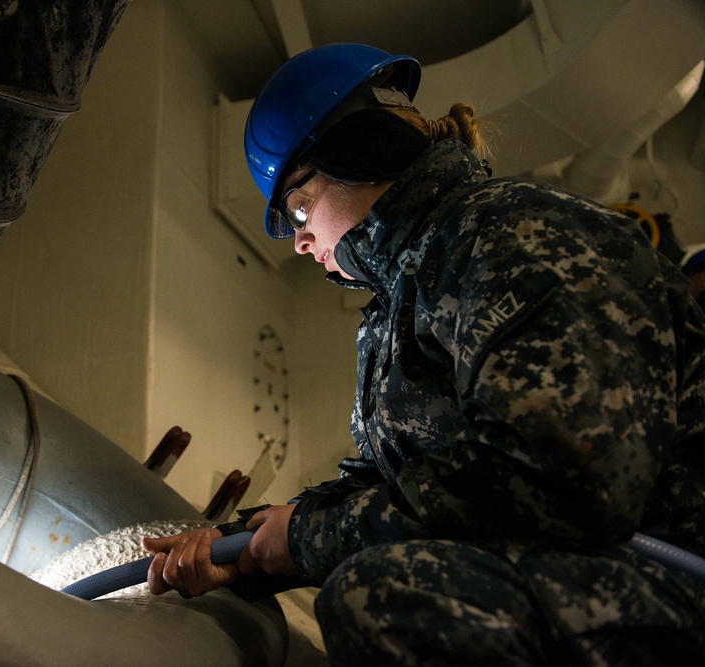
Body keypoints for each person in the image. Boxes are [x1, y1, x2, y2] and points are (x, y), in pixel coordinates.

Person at [141, 43, 705, 664]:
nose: (301, 241)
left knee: (386, 597)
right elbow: (398, 483)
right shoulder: (411, 288)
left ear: (356, 154)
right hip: (596, 580)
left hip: (673, 584)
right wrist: (242, 547)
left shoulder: (514, 232)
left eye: (300, 206)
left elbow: (558, 477)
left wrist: (305, 539)